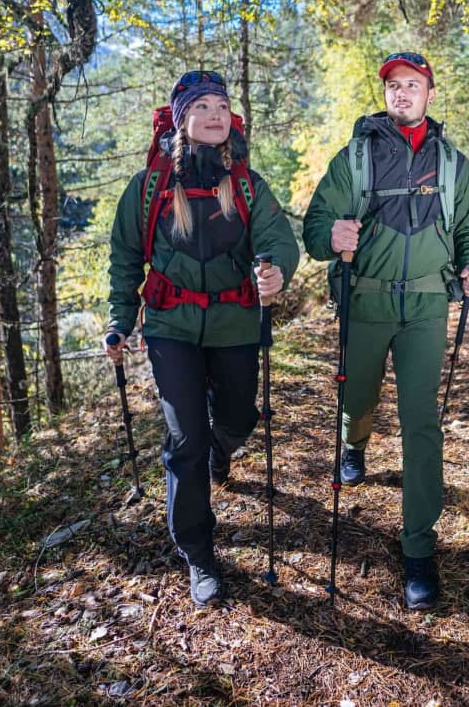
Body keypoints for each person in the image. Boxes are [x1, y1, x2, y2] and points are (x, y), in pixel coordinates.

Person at [104, 70, 299, 606]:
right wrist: (120, 320)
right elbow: (125, 258)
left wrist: (277, 270)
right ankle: (198, 551)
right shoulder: (150, 188)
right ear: (181, 119)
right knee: (184, 440)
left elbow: (280, 242)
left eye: (221, 104)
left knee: (239, 418)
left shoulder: (249, 184)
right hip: (171, 329)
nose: (214, 113)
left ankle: (222, 446)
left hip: (237, 325)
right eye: (201, 106)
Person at [302, 51, 469, 609]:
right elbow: (315, 228)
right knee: (358, 397)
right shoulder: (355, 158)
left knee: (421, 423)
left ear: (430, 93)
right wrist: (330, 237)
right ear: (385, 94)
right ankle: (352, 442)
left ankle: (418, 550)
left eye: (412, 85)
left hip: (429, 305)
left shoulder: (453, 165)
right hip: (365, 303)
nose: (401, 93)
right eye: (393, 86)